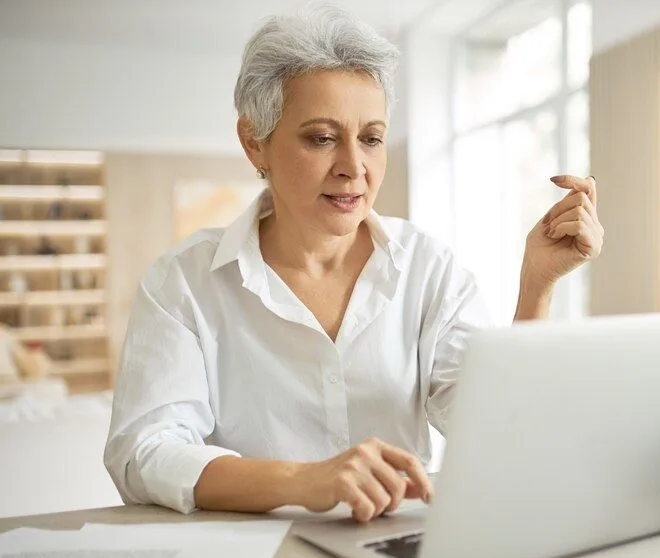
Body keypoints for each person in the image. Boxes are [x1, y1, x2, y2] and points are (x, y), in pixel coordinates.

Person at [104, 4, 603, 522]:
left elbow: (501, 431)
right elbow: (145, 453)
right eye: (322, 138)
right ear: (255, 143)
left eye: (371, 139)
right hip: (251, 555)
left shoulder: (429, 269)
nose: (353, 167)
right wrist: (304, 481)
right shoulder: (183, 281)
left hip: (398, 545)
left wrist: (536, 286)